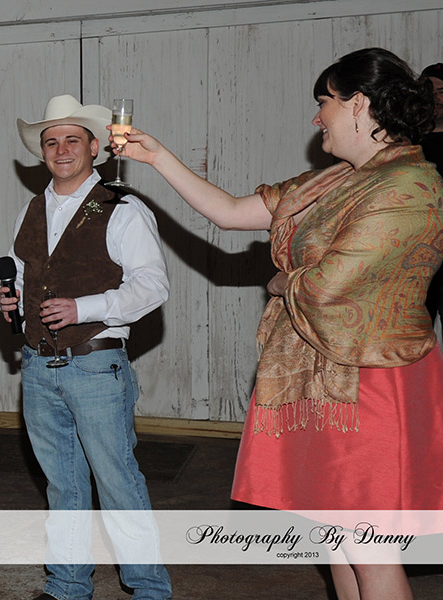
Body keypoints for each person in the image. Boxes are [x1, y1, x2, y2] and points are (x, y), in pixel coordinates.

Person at [119, 48, 443, 599]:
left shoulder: (408, 185)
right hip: (324, 377)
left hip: (373, 378)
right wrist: (157, 158)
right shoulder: (334, 181)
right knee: (336, 536)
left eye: (325, 102)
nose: (317, 118)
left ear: (358, 103)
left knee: (371, 547)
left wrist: (278, 282)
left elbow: (328, 287)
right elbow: (229, 213)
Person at [0, 94, 172, 600]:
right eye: (51, 141)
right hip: (37, 365)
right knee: (63, 485)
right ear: (42, 152)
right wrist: (13, 304)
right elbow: (26, 276)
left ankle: (149, 589)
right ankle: (68, 585)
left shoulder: (120, 208)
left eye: (72, 139)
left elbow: (153, 286)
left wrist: (85, 307)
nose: (61, 149)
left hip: (95, 363)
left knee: (117, 481)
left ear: (95, 147)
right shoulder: (31, 210)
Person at [420, 62, 443, 324]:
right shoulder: (407, 144)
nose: (435, 99)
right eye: (428, 91)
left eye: (441, 91)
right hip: (421, 252)